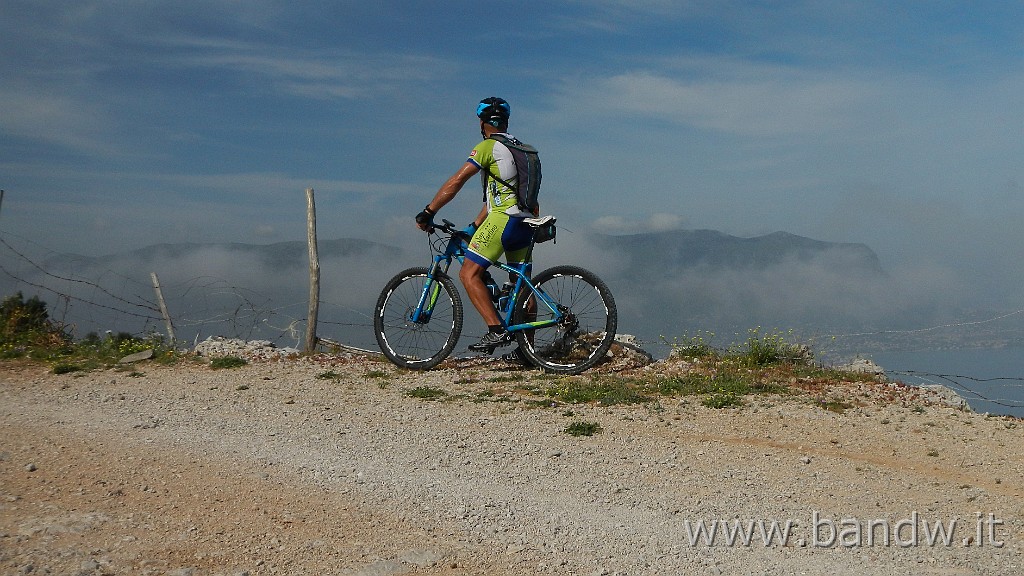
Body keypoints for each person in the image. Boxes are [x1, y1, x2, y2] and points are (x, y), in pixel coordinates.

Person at [415, 97, 538, 356]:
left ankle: (496, 330)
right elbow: (500, 195)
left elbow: (457, 181)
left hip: (503, 220)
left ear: (482, 124)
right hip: (525, 221)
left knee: (468, 274)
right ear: (505, 122)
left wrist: (429, 211)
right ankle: (528, 350)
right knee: (521, 283)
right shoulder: (520, 149)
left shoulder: (488, 146)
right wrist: (473, 226)